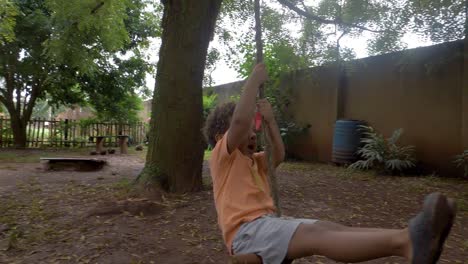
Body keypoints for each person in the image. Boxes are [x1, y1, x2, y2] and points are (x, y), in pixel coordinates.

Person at [203, 63, 456, 264]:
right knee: (315, 236)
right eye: (248, 129)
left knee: (327, 227)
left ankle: (407, 236)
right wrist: (253, 81)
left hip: (265, 225)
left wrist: (269, 122)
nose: (251, 134)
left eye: (253, 130)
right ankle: (408, 243)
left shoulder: (254, 162)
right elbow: (238, 122)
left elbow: (278, 155)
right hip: (247, 234)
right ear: (220, 137)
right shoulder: (222, 157)